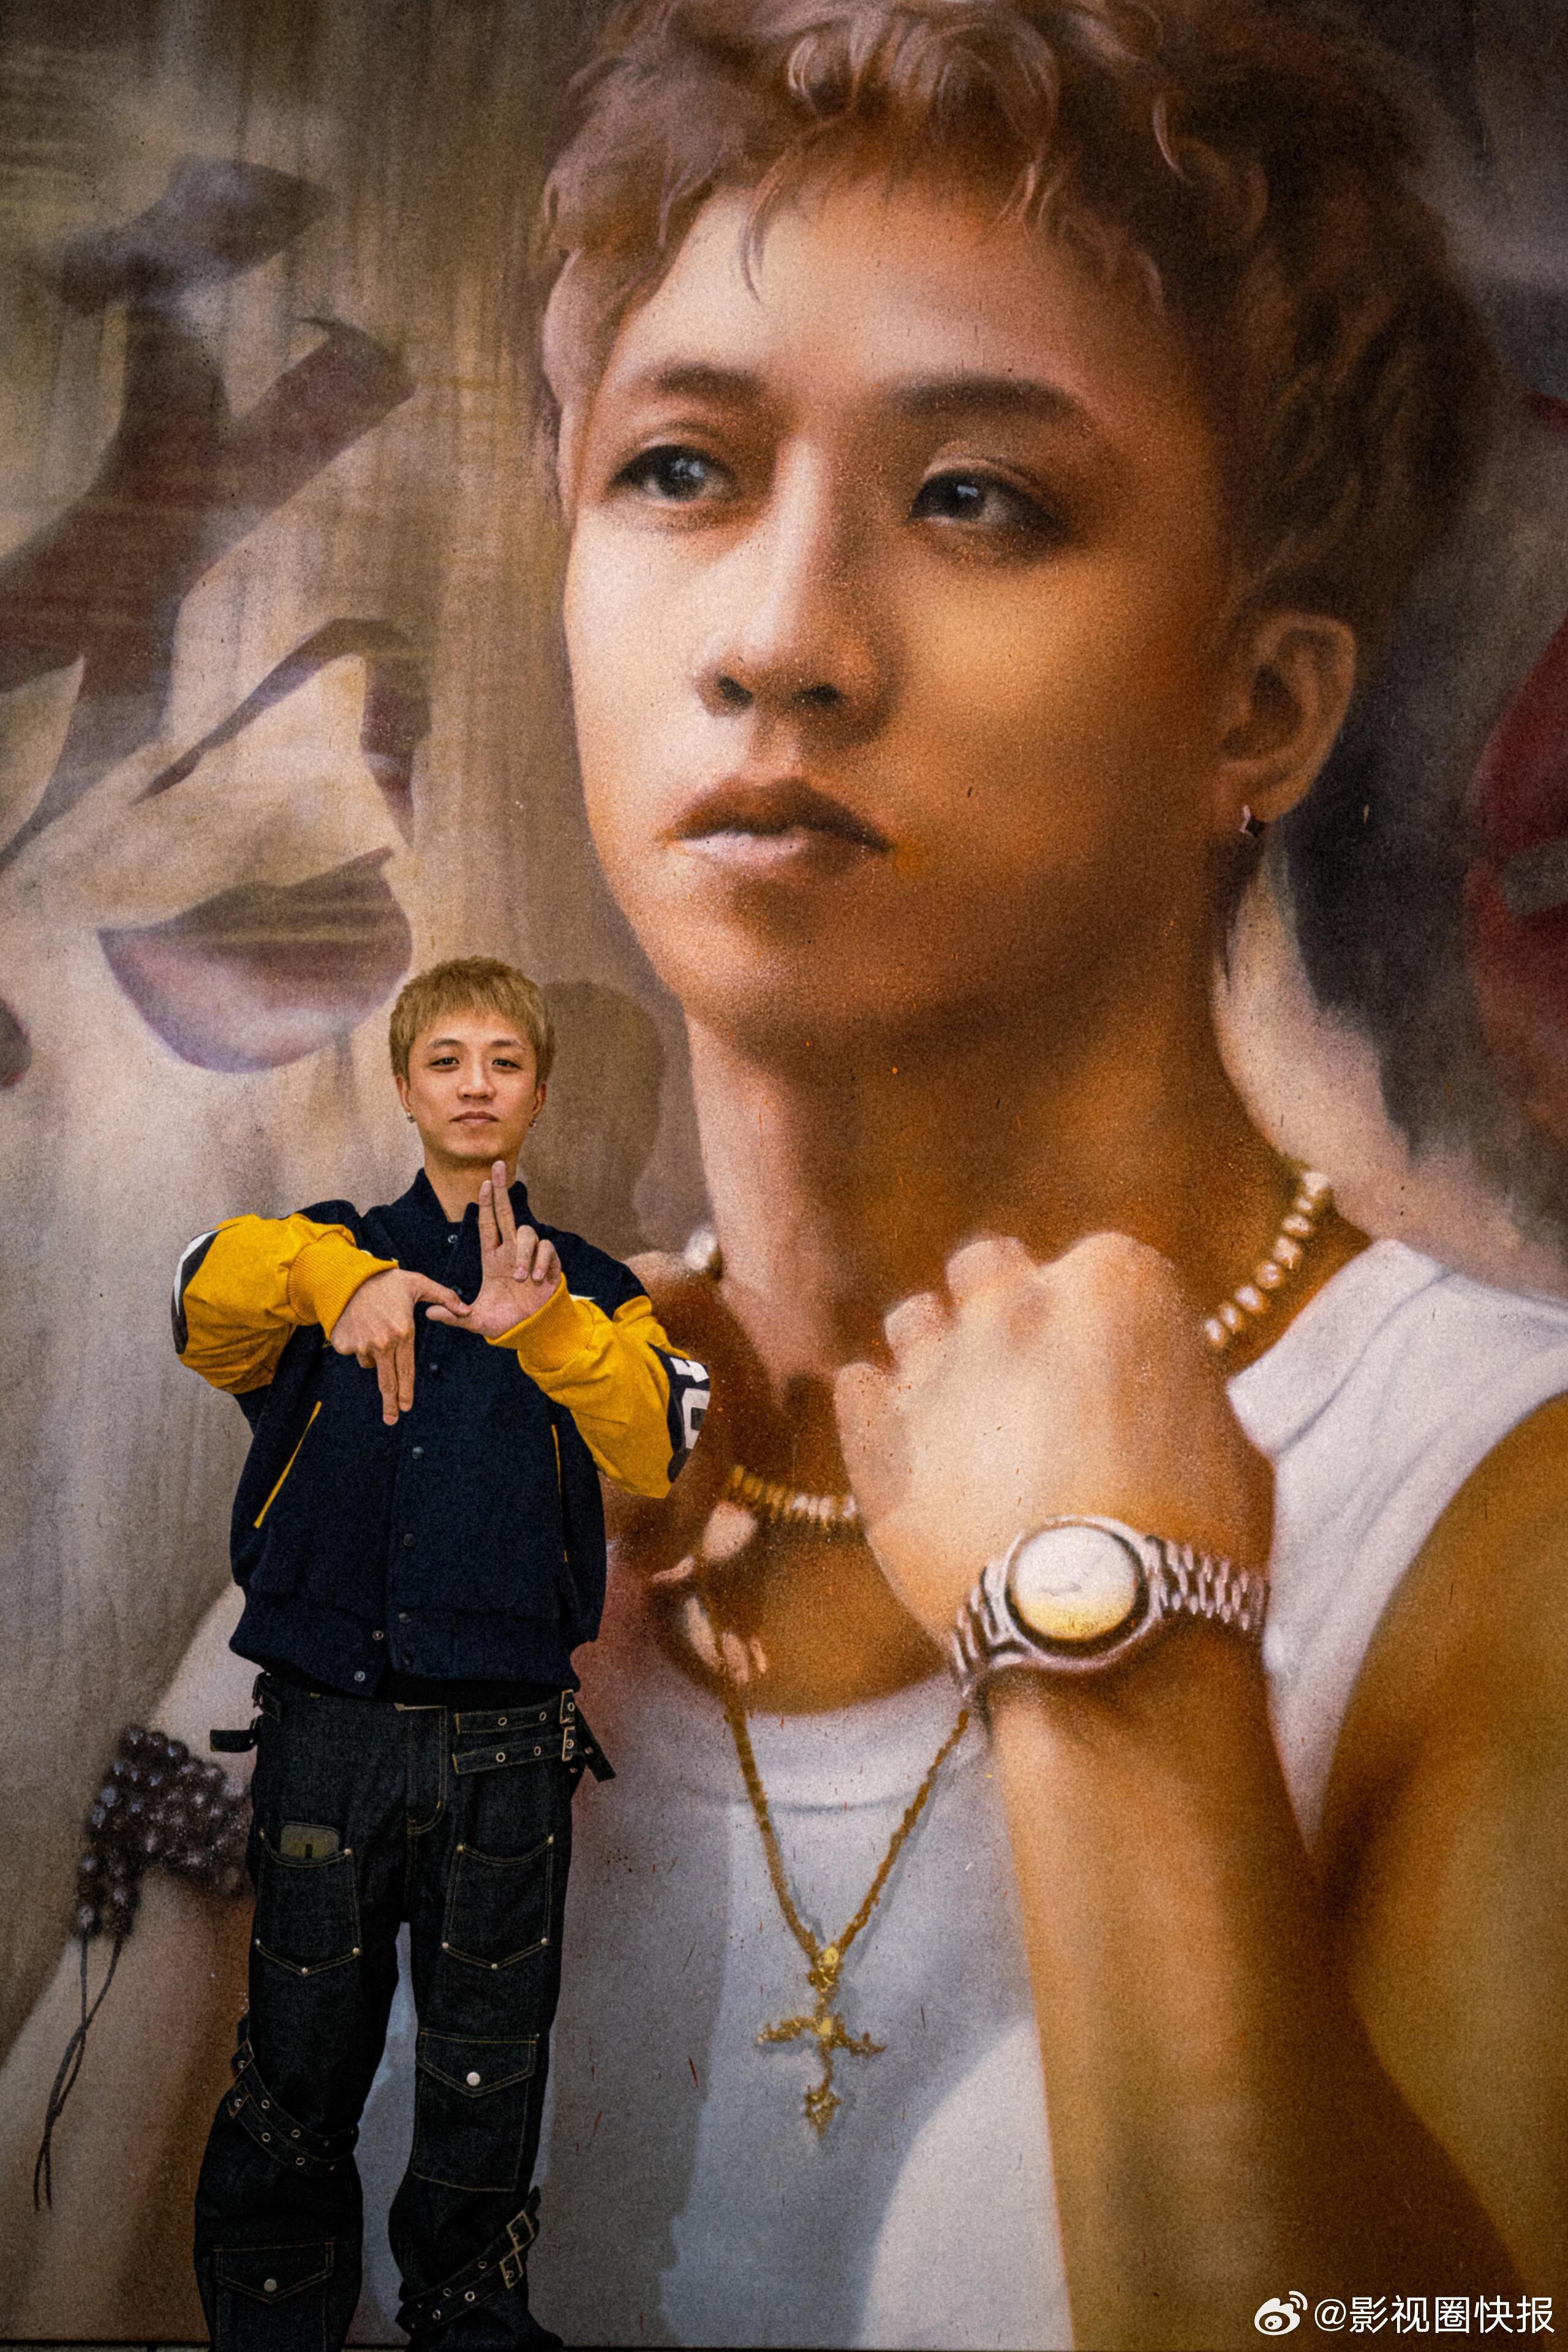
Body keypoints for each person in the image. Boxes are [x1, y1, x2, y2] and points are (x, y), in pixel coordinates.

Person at [451, 2, 1568, 2345]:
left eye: (977, 499)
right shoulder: (486, 1425)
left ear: (1262, 704)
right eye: (681, 470)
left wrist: (1119, 1653)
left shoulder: (1506, 1515)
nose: (779, 642)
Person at [174, 954, 709, 2351]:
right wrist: (339, 1279)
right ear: (406, 1089)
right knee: (294, 2083)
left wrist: (552, 1335)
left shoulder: (596, 1286)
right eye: (446, 1061)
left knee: (486, 2084)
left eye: (504, 1063)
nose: (476, 1086)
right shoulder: (321, 1255)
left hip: (506, 1756)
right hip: (326, 1740)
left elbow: (655, 1444)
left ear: (538, 1093)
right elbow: (195, 1302)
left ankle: (470, 2320)